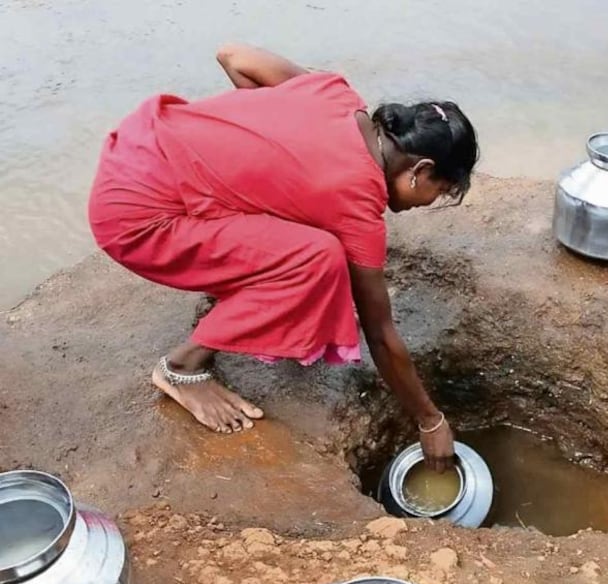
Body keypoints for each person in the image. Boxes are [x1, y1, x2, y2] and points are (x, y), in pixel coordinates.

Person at [87, 43, 478, 473]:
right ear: (420, 170)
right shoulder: (357, 204)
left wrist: (268, 141)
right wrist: (430, 420)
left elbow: (233, 56)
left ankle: (240, 282)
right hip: (135, 217)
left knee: (294, 221)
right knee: (317, 259)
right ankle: (181, 367)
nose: (430, 202)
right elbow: (381, 334)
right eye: (440, 191)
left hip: (136, 145)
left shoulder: (334, 93)